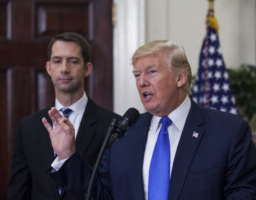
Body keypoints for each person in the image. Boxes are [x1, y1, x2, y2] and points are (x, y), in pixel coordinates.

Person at [43, 40, 256, 200]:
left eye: (151, 72)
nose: (142, 82)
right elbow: (98, 194)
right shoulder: (125, 133)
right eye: (137, 75)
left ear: (180, 78)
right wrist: (67, 155)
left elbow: (243, 194)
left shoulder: (227, 131)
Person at [7, 32, 121, 200]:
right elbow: (18, 192)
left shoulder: (113, 125)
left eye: (73, 61)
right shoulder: (27, 128)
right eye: (57, 61)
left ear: (87, 68)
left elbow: (113, 191)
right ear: (48, 68)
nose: (64, 69)